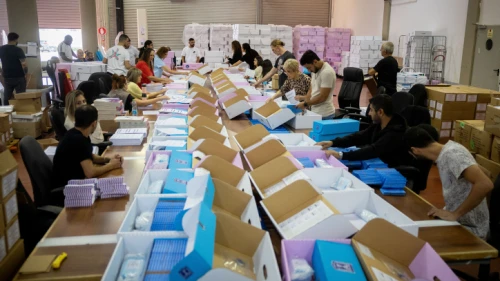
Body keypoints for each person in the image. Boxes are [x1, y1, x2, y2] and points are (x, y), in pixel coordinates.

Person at [404, 125, 492, 239]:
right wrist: (449, 208)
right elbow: (486, 173)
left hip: (471, 229)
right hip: (462, 222)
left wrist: (456, 214)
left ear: (414, 150)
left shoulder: (452, 155)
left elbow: (486, 184)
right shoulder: (449, 150)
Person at [316, 94, 413, 168]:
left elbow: (373, 150)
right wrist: (332, 142)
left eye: (371, 110)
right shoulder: (379, 124)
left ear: (380, 112)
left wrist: (341, 155)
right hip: (379, 163)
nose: (369, 114)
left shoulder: (396, 132)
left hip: (393, 170)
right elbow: (360, 137)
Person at [53, 105, 123, 188]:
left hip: (69, 182)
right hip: (69, 189)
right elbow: (90, 173)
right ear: (94, 123)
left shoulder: (75, 134)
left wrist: (109, 159)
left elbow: (89, 156)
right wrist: (112, 165)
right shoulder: (79, 140)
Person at [296, 50, 336, 120]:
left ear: (315, 61)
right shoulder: (315, 70)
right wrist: (306, 101)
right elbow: (312, 87)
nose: (308, 70)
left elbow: (323, 97)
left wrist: (305, 104)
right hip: (314, 111)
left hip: (324, 114)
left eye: (309, 67)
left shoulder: (326, 72)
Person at [0, 32, 27, 105]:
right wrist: (25, 73)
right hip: (19, 76)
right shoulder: (18, 50)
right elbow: (23, 64)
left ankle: (6, 113)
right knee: (21, 97)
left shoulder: (1, 49)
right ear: (16, 39)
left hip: (7, 77)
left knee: (7, 98)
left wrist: (1, 72)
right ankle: (21, 113)